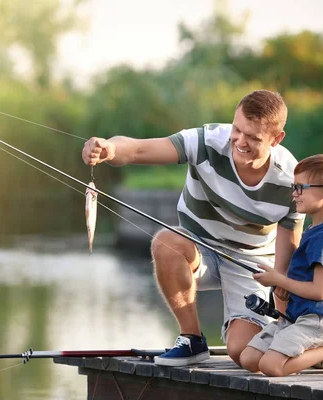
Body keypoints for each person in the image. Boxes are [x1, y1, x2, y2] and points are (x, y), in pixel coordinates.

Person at [82, 90, 305, 367]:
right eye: (237, 129)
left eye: (253, 137)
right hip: (197, 246)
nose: (239, 141)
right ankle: (191, 340)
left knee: (242, 354)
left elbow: (286, 256)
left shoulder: (290, 182)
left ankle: (312, 344)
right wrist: (109, 149)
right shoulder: (206, 141)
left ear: (276, 138)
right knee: (166, 241)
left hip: (252, 265)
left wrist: (285, 316)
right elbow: (138, 149)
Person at [239, 154, 323, 377]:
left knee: (271, 367)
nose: (294, 194)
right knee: (249, 359)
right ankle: (317, 351)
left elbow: (319, 292)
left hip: (320, 319)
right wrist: (282, 285)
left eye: (301, 188)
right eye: (294, 187)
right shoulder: (314, 231)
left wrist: (278, 280)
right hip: (298, 317)